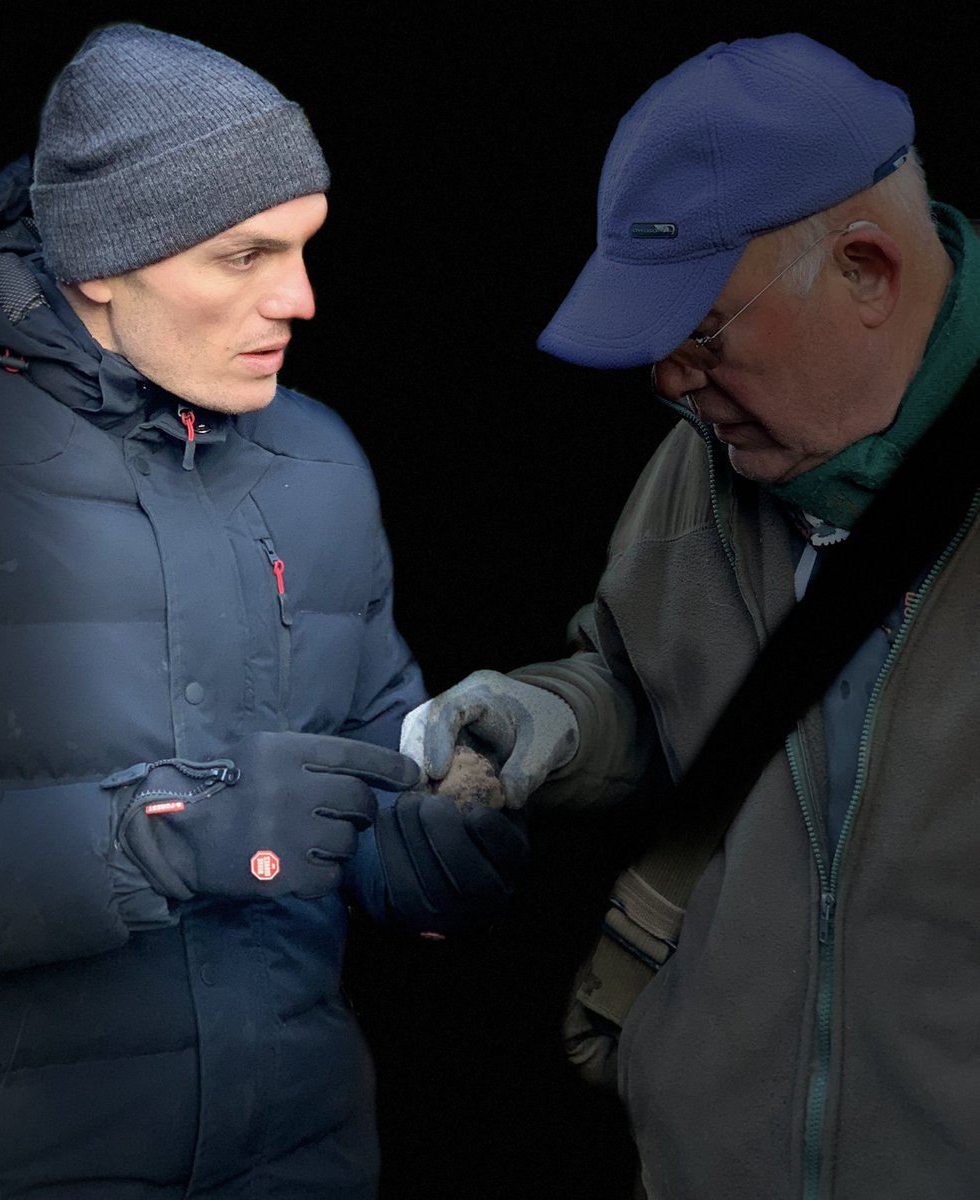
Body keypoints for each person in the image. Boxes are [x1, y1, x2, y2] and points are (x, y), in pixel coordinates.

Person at [0, 22, 529, 1200]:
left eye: (304, 249)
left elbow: (364, 770)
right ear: (103, 261)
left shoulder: (320, 460)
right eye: (243, 256)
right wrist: (151, 841)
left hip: (306, 1164)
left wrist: (434, 850)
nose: (299, 299)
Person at [401, 32, 980, 1200]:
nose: (668, 381)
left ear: (868, 271)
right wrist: (550, 717)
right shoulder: (700, 462)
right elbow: (641, 681)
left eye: (702, 331)